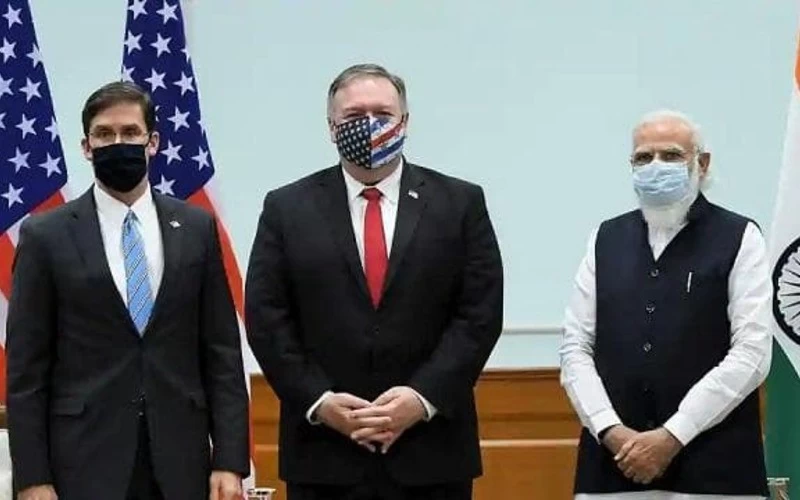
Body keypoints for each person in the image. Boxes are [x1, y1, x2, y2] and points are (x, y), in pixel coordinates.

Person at [245, 63, 504, 500]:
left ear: (405, 122)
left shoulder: (460, 203)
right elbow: (267, 318)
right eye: (353, 115)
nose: (369, 124)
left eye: (382, 114)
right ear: (331, 127)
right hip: (324, 455)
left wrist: (421, 398)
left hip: (431, 453)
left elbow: (480, 314)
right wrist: (320, 402)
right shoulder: (286, 208)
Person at [6, 82, 250, 500]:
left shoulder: (195, 228)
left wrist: (229, 461)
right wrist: (32, 478)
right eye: (104, 134)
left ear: (152, 142)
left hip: (180, 461)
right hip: (82, 462)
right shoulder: (46, 235)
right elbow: (26, 368)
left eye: (130, 132)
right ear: (86, 147)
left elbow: (222, 353)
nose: (118, 143)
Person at [560, 110, 772, 499]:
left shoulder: (740, 236)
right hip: (613, 465)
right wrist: (610, 429)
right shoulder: (605, 238)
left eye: (671, 155)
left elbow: (752, 353)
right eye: (643, 158)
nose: (655, 166)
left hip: (714, 471)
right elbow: (576, 348)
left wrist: (673, 435)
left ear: (702, 163)